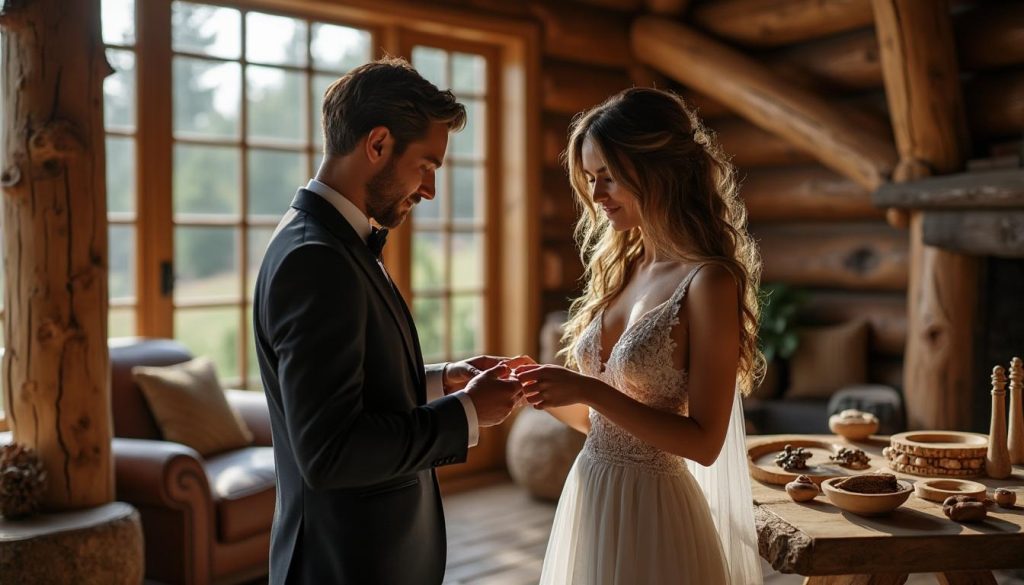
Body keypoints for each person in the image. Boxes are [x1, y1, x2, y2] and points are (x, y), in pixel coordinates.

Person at [252, 57, 526, 585]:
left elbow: (346, 390)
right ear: (377, 145)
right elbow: (331, 453)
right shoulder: (317, 257)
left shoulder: (332, 239)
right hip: (346, 564)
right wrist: (466, 412)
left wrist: (437, 380)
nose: (429, 190)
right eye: (426, 165)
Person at [514, 87, 764, 584]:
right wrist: (534, 386)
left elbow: (704, 443)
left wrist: (586, 387)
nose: (596, 195)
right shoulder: (624, 269)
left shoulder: (708, 281)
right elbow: (604, 425)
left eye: (608, 177)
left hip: (655, 512)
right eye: (590, 179)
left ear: (657, 170)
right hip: (592, 493)